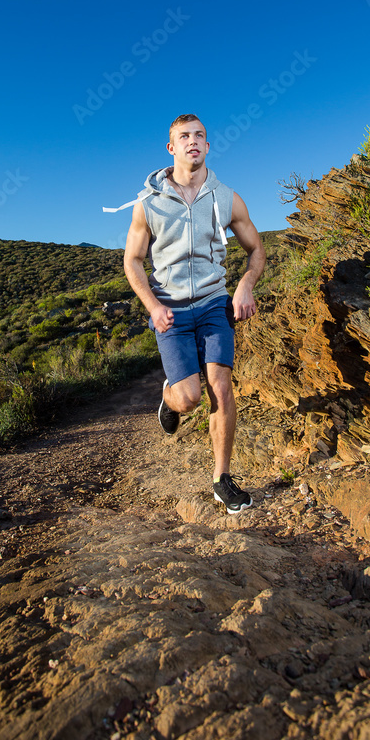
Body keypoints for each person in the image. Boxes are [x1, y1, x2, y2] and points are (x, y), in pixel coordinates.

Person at [122, 114, 265, 514]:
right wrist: (153, 306)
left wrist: (244, 285)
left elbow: (257, 249)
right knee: (190, 399)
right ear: (171, 148)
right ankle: (170, 400)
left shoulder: (227, 198)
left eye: (200, 135)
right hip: (170, 310)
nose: (193, 142)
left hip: (213, 304)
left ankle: (222, 479)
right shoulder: (147, 203)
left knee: (221, 386)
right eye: (184, 137)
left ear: (207, 144)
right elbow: (132, 261)